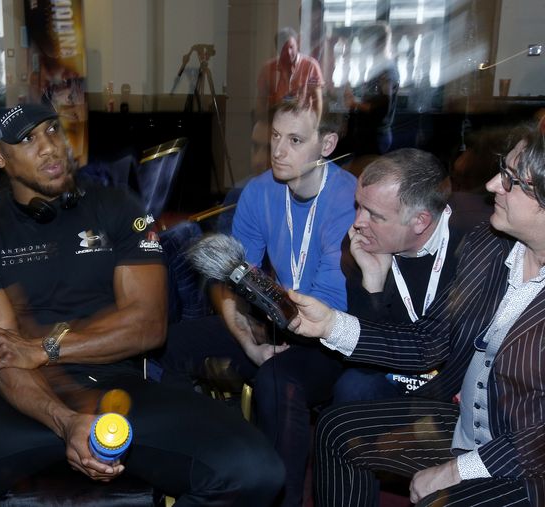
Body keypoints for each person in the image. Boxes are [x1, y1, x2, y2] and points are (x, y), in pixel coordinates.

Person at [0, 102, 285, 506]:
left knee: (257, 470)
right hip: (20, 399)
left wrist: (44, 347)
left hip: (120, 390)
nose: (48, 145)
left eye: (51, 129)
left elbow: (147, 325)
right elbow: (3, 357)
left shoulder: (118, 207)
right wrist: (66, 422)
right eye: (27, 139)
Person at [285, 120, 545, 506]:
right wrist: (331, 324)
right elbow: (429, 341)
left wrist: (459, 469)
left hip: (524, 461)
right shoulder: (489, 246)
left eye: (510, 179)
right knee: (337, 429)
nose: (492, 185)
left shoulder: (474, 235)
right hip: (462, 426)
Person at [159, 99, 356, 507]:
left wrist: (273, 319)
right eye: (276, 138)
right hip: (278, 318)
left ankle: (280, 499)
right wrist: (247, 339)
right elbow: (229, 277)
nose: (279, 151)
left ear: (327, 144)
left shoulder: (347, 199)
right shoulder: (260, 190)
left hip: (331, 334)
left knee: (278, 381)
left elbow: (330, 299)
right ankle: (195, 467)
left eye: (295, 140)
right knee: (168, 344)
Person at [335, 148, 489, 402]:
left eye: (374, 214)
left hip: (457, 380)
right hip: (397, 375)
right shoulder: (360, 246)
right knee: (353, 387)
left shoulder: (477, 243)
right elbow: (366, 361)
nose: (358, 222)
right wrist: (372, 283)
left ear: (420, 221)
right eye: (358, 206)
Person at [343, 22, 399, 158]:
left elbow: (382, 108)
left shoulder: (387, 71)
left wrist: (354, 104)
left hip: (375, 137)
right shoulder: (379, 68)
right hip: (371, 135)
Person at [256, 27, 324, 120]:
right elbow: (261, 101)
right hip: (277, 122)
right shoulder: (268, 69)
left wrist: (314, 127)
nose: (288, 52)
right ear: (277, 49)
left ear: (297, 44)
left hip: (303, 123)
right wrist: (262, 124)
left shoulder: (311, 66)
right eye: (284, 49)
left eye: (291, 47)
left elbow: (317, 101)